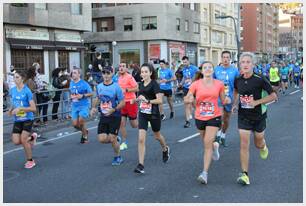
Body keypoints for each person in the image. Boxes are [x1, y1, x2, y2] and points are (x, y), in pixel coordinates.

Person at [232, 52, 277, 185]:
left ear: (253, 64)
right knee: (244, 144)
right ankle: (245, 174)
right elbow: (236, 91)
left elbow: (273, 96)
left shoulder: (260, 79)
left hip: (259, 116)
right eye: (243, 62)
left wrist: (256, 102)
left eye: (248, 62)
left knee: (258, 143)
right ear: (240, 64)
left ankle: (263, 147)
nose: (245, 64)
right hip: (243, 116)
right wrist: (235, 104)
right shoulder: (238, 79)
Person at [184, 61, 231, 184]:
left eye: (210, 67)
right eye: (205, 67)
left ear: (213, 70)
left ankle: (204, 173)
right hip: (200, 117)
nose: (208, 69)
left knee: (207, 143)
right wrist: (188, 99)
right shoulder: (195, 84)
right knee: (206, 142)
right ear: (202, 70)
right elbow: (188, 97)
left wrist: (227, 99)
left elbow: (223, 99)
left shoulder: (219, 84)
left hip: (214, 116)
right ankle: (215, 147)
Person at [134, 63, 170, 174]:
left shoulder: (154, 84)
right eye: (142, 72)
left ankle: (165, 149)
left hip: (154, 114)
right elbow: (140, 97)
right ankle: (141, 165)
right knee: (141, 139)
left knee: (157, 135)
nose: (143, 73)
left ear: (150, 73)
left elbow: (160, 100)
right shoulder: (140, 85)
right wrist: (136, 100)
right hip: (143, 114)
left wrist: (148, 101)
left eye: (146, 71)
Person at [90, 66, 125, 165]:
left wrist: (114, 109)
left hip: (115, 116)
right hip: (104, 116)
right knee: (101, 139)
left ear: (112, 74)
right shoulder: (99, 86)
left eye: (108, 73)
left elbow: (123, 103)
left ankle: (118, 157)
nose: (106, 75)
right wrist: (93, 108)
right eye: (104, 73)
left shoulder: (116, 87)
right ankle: (116, 139)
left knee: (112, 138)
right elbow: (97, 98)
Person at [8, 70, 38, 169]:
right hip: (18, 119)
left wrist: (21, 109)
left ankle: (30, 161)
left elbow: (33, 108)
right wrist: (11, 110)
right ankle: (32, 138)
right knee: (16, 141)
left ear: (22, 79)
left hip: (28, 118)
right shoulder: (12, 90)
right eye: (14, 77)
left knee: (23, 140)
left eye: (17, 77)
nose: (15, 79)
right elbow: (14, 103)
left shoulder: (27, 91)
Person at [213, 51, 240, 147]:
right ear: (221, 58)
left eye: (227, 57)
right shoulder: (216, 70)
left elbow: (237, 87)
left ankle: (223, 135)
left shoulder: (235, 70)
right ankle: (218, 135)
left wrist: (235, 102)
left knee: (226, 119)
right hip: (218, 98)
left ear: (230, 59)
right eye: (224, 57)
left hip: (230, 98)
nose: (225, 59)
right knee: (219, 117)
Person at [117, 62, 139, 151]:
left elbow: (137, 88)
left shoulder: (129, 77)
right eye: (120, 66)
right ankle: (124, 142)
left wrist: (126, 89)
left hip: (131, 102)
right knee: (121, 124)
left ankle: (144, 122)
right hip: (122, 103)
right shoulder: (118, 78)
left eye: (123, 66)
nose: (121, 68)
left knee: (134, 125)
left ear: (126, 69)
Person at [69, 67, 93, 143]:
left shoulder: (84, 83)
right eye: (72, 73)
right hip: (74, 106)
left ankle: (84, 136)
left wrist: (82, 96)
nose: (73, 74)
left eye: (75, 73)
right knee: (75, 125)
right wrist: (71, 97)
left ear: (79, 74)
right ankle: (84, 131)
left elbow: (91, 93)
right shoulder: (71, 83)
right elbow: (72, 93)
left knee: (81, 120)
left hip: (84, 105)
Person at [179, 56, 199, 128]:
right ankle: (187, 121)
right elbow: (184, 77)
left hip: (194, 88)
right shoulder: (183, 69)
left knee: (194, 104)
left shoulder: (194, 68)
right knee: (186, 104)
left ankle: (200, 117)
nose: (184, 63)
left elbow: (198, 75)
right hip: (186, 88)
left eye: (185, 62)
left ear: (188, 61)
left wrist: (192, 80)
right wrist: (181, 83)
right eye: (183, 62)